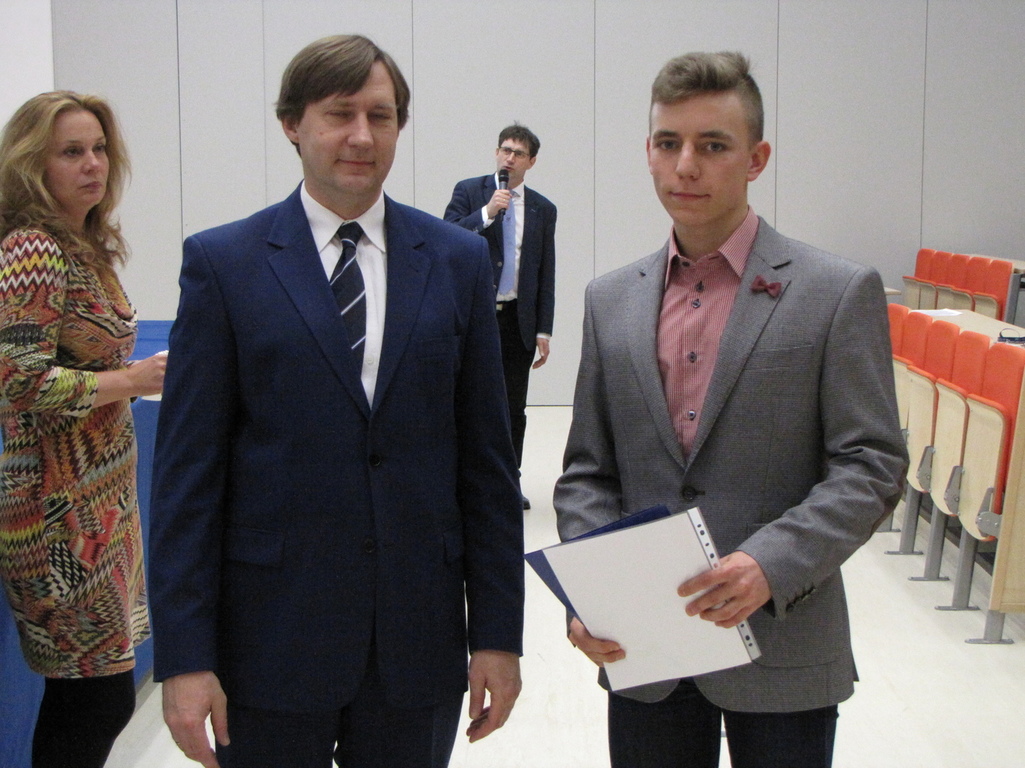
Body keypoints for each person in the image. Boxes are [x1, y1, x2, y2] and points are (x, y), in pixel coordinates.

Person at [148, 34, 524, 768]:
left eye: (380, 116)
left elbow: (486, 467)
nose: (361, 136)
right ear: (292, 123)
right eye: (339, 114)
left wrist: (498, 635)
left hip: (415, 644)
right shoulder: (225, 265)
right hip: (267, 642)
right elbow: (187, 480)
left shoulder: (455, 262)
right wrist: (185, 657)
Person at [553, 51, 907, 768]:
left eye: (712, 145)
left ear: (755, 158)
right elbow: (588, 471)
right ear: (648, 152)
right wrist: (590, 591)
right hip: (646, 653)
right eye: (668, 143)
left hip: (783, 641)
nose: (686, 165)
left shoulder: (834, 292)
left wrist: (769, 564)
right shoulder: (610, 300)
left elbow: (870, 465)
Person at [0, 91, 166, 767]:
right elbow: (20, 381)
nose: (93, 164)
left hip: (98, 505)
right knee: (93, 700)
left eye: (99, 149)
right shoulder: (33, 247)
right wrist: (130, 380)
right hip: (56, 512)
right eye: (72, 152)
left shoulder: (80, 242)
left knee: (92, 697)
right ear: (32, 164)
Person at [444, 124, 556, 509]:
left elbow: (545, 271)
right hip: (473, 317)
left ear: (531, 162)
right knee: (466, 401)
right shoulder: (469, 192)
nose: (509, 158)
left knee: (512, 407)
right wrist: (487, 213)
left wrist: (544, 329)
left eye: (518, 153)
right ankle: (462, 480)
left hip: (516, 321)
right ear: (496, 153)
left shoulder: (543, 209)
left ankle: (508, 481)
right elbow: (447, 238)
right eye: (505, 150)